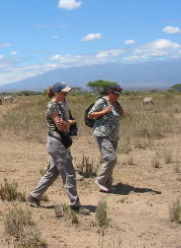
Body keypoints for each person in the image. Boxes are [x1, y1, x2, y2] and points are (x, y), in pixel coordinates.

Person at [27, 82, 82, 212]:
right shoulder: (53, 106)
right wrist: (71, 122)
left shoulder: (62, 103)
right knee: (69, 173)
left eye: (67, 92)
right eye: (63, 92)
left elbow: (64, 123)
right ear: (56, 93)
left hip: (59, 141)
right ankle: (75, 205)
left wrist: (67, 123)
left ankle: (34, 196)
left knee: (53, 172)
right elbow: (60, 126)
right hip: (57, 141)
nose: (66, 94)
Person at [88, 84, 124, 192]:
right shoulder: (102, 102)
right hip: (102, 133)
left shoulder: (117, 103)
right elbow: (90, 115)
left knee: (109, 160)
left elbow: (117, 117)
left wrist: (121, 113)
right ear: (110, 92)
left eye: (119, 94)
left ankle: (107, 185)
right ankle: (100, 180)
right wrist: (104, 112)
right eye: (115, 94)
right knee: (111, 158)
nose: (117, 96)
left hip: (113, 134)